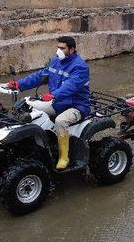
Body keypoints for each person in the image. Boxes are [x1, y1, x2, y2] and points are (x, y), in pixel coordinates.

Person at [5, 36, 90, 170]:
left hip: (76, 106)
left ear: (72, 49)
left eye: (62, 48)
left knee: (61, 121)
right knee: (28, 108)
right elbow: (39, 76)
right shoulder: (55, 61)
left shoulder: (80, 67)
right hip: (57, 103)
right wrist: (18, 84)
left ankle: (64, 157)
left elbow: (70, 86)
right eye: (58, 47)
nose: (59, 51)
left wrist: (52, 95)